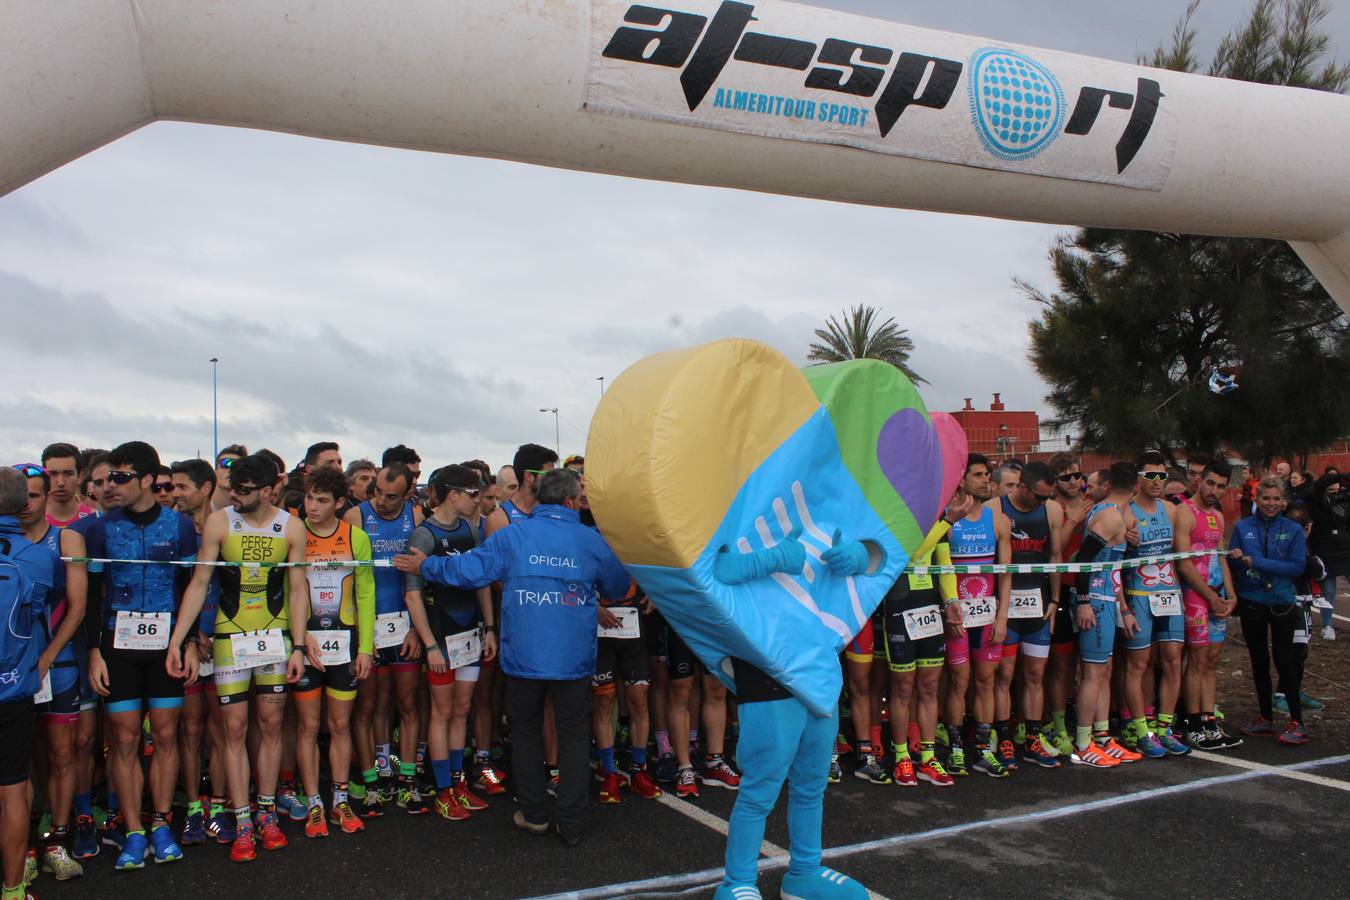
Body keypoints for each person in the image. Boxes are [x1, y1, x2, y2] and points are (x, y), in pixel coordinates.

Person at [394, 468, 630, 846]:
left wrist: (425, 565)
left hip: (525, 656)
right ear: (571, 502)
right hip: (572, 658)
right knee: (572, 735)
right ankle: (571, 822)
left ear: (537, 500)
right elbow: (618, 586)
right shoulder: (589, 540)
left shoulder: (515, 535)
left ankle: (535, 814)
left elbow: (467, 571)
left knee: (524, 733)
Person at [166, 453, 309, 863]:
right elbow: (199, 583)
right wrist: (179, 640)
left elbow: (298, 590)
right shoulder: (220, 521)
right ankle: (242, 817)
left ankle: (266, 813)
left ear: (268, 490)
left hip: (276, 637)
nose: (234, 496)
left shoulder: (291, 526)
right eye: (232, 489)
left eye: (243, 491)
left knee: (270, 724)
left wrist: (298, 645)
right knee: (232, 729)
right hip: (230, 638)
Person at [82, 442, 198, 869]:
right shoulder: (101, 528)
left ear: (148, 480)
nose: (113, 484)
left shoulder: (181, 526)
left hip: (167, 642)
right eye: (110, 476)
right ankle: (133, 829)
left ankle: (163, 822)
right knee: (125, 739)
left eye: (122, 476)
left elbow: (191, 587)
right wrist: (94, 651)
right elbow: (93, 596)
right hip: (118, 642)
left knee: (166, 735)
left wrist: (187, 642)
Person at [402, 465, 498, 821]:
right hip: (441, 636)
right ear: (451, 494)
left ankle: (457, 783)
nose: (476, 500)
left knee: (461, 710)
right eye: (471, 493)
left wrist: (489, 627)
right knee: (442, 713)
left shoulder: (471, 531)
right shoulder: (423, 536)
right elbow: (412, 596)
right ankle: (443, 790)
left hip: (470, 633)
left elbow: (482, 582)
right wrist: (429, 645)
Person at [13, 465, 87, 881]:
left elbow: (76, 607)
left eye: (35, 497)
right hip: (13, 669)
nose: (28, 505)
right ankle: (21, 848)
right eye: (20, 497)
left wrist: (46, 659)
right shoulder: (5, 541)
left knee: (63, 755)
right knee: (19, 764)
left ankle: (58, 842)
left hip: (56, 665)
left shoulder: (68, 538)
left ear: (46, 500)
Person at [293, 467, 374, 837]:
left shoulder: (356, 537)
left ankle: (340, 799)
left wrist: (367, 648)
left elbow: (365, 595)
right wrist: (296, 641)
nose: (312, 506)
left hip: (345, 641)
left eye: (322, 500)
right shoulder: (295, 533)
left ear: (340, 503)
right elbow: (288, 591)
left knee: (340, 724)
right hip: (306, 643)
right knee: (309, 726)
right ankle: (314, 804)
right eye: (309, 497)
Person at [344, 464, 426, 815]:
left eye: (392, 496)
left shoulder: (417, 515)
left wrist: (416, 629)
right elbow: (348, 580)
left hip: (404, 622)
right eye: (376, 491)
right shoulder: (355, 515)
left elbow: (422, 575)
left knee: (406, 704)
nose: (381, 500)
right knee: (369, 707)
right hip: (368, 625)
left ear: (408, 493)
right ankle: (374, 778)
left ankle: (407, 780)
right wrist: (362, 634)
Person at [0, 467, 54, 900]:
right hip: (13, 686)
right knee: (13, 790)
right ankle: (14, 889)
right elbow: (39, 611)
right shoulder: (37, 555)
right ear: (23, 506)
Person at [1069, 462, 1140, 768]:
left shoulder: (1122, 515)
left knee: (1105, 671)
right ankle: (1083, 743)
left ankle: (1102, 737)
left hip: (1108, 598)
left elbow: (1114, 566)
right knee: (1093, 673)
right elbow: (1083, 558)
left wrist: (1122, 608)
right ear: (1135, 487)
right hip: (1094, 599)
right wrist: (1083, 602)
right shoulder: (1110, 516)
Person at [993, 461, 1064, 769]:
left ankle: (1033, 737)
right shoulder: (994, 508)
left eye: (1048, 496)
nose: (1043, 501)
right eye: (1039, 496)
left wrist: (1056, 600)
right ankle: (1003, 737)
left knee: (1035, 674)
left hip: (1038, 604)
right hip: (1005, 606)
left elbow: (1055, 557)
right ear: (1022, 486)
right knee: (1004, 675)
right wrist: (999, 609)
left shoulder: (1051, 511)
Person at [167, 458, 223, 846]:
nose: (174, 494)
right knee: (190, 729)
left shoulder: (227, 523)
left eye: (182, 487)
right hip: (187, 640)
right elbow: (169, 588)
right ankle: (192, 807)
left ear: (205, 488)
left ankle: (218, 805)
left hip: (224, 637)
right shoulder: (172, 529)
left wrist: (209, 631)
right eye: (171, 487)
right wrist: (188, 635)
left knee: (221, 729)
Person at [1120, 451, 1189, 757]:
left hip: (1169, 595)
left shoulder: (1171, 511)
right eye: (1151, 476)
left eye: (1162, 476)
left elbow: (1181, 558)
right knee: (1138, 665)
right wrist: (1122, 606)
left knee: (1173, 660)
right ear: (1138, 479)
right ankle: (1141, 728)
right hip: (1138, 596)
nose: (1158, 482)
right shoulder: (1125, 512)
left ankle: (1164, 727)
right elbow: (1113, 565)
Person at [1231, 477, 1310, 744]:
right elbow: (1234, 564)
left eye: (1276, 499)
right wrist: (1239, 563)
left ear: (1284, 501)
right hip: (1252, 601)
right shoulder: (1242, 527)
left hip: (1281, 602)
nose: (1271, 504)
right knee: (1258, 661)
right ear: (1257, 500)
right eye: (1266, 498)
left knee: (1285, 661)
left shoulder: (1293, 529)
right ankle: (1265, 716)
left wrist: (1260, 562)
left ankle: (1297, 721)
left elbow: (1297, 567)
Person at [1176, 461, 1241, 750]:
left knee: (1212, 660)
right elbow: (1183, 561)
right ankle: (1192, 723)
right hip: (1195, 596)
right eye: (1211, 483)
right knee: (1198, 659)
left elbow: (1220, 556)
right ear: (1200, 480)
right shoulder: (1185, 512)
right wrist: (1210, 596)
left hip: (1216, 595)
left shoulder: (1218, 515)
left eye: (1221, 486)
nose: (1215, 490)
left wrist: (1230, 594)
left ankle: (1209, 720)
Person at [1310, 473, 1349, 641]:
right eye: (1331, 490)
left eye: (1338, 490)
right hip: (1325, 554)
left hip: (1346, 552)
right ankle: (1327, 626)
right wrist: (1338, 476)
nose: (1336, 493)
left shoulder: (1345, 505)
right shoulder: (1315, 505)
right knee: (1329, 592)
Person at [40, 444, 93, 528]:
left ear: (80, 476)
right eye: (53, 474)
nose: (61, 483)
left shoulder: (95, 520)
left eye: (68, 474)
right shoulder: (31, 521)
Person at [210, 445, 247, 512]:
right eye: (225, 465)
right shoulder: (199, 506)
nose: (230, 470)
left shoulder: (249, 511)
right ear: (215, 471)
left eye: (237, 467)